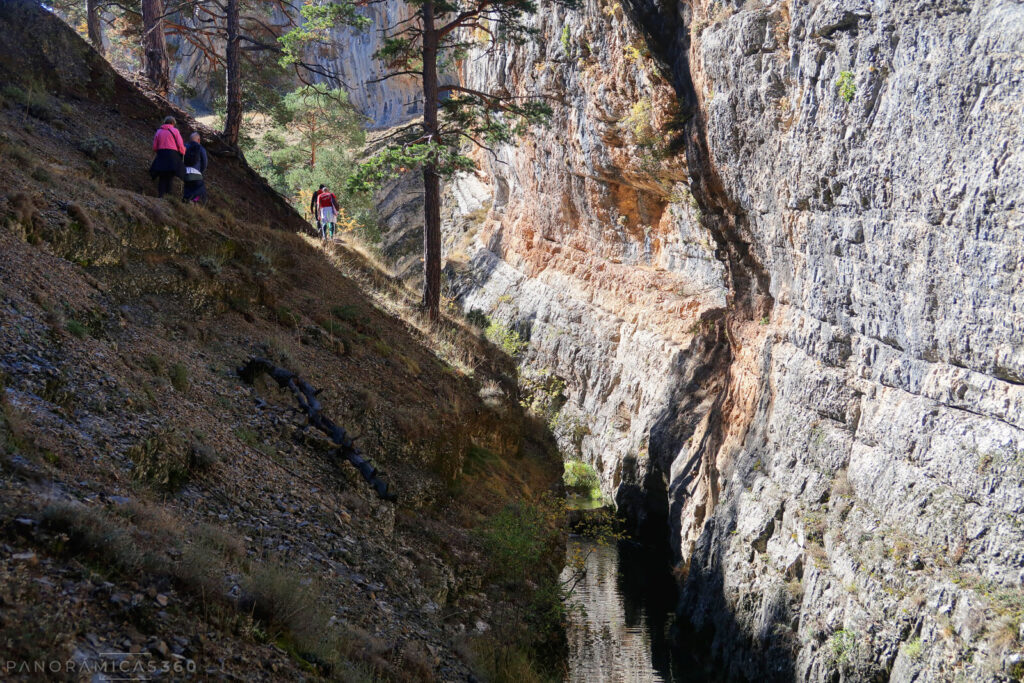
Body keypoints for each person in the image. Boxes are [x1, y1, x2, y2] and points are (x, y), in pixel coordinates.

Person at [149, 116, 186, 198]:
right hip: (172, 156)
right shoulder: (175, 131)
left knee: (162, 176)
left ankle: (160, 196)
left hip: (161, 155)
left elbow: (155, 147)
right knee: (170, 176)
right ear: (173, 123)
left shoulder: (159, 131)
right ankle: (168, 197)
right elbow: (180, 145)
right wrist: (183, 152)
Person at [182, 132, 208, 204]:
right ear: (199, 140)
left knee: (188, 187)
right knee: (201, 190)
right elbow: (205, 163)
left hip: (185, 172)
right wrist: (200, 171)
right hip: (196, 173)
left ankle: (186, 201)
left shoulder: (185, 146)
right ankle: (193, 201)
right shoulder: (201, 148)